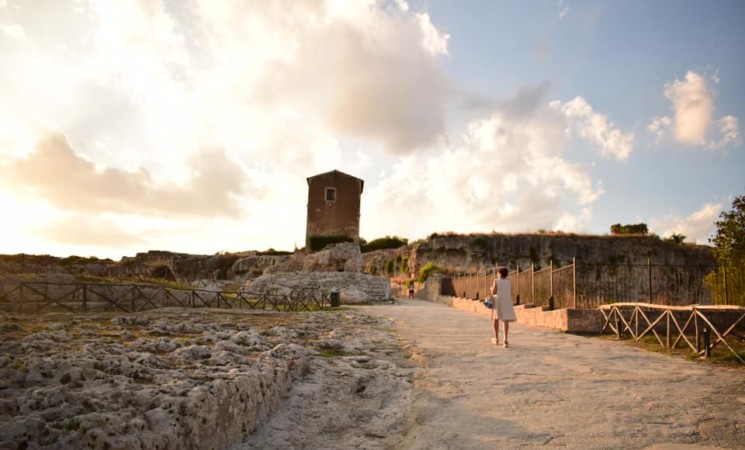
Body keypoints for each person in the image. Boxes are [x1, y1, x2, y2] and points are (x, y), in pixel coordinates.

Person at [489, 267, 517, 347]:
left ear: (500, 274)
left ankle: (496, 338)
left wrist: (491, 289)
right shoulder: (509, 282)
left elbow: (494, 292)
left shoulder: (496, 281)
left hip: (498, 301)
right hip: (506, 301)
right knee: (505, 321)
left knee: (496, 320)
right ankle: (505, 340)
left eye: (498, 273)